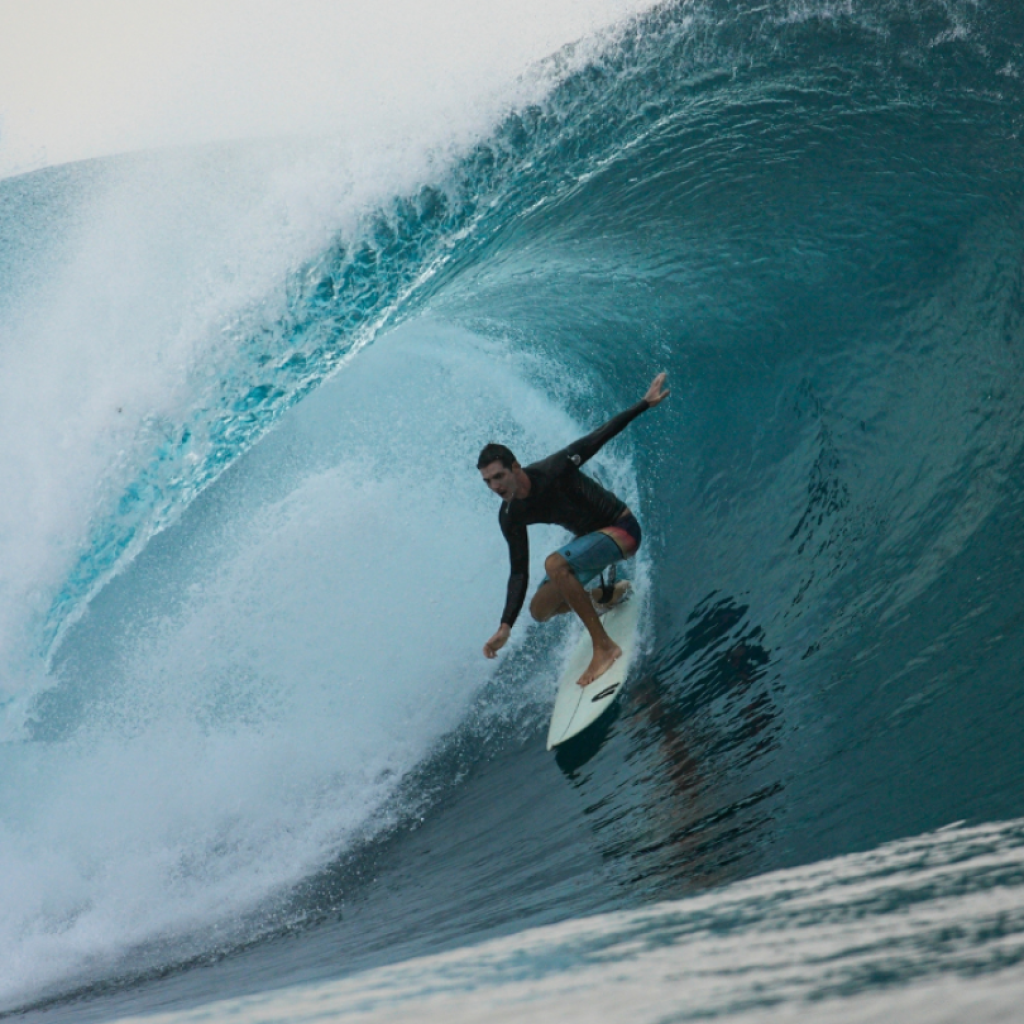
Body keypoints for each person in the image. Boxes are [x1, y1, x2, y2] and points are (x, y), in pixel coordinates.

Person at [478, 373, 670, 687]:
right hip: (590, 542)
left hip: (622, 530)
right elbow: (518, 572)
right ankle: (607, 595)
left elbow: (599, 436)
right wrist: (505, 625)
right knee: (540, 609)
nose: (494, 487)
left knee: (555, 564)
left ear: (515, 467)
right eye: (487, 482)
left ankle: (604, 647)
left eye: (498, 477)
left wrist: (644, 404)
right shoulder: (510, 513)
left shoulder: (554, 469)